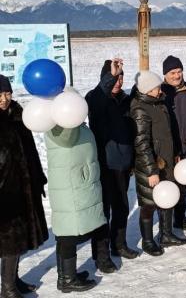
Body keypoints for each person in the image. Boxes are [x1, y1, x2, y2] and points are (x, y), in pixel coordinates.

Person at [45, 121, 117, 293]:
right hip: (70, 186)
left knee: (68, 231)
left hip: (77, 185)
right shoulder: (60, 126)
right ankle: (67, 279)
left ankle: (66, 276)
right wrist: (70, 118)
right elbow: (67, 140)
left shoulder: (72, 123)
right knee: (68, 232)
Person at [0, 75, 49, 298]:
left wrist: (38, 178)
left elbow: (31, 152)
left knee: (20, 239)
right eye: (0, 95)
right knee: (9, 241)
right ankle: (7, 288)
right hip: (5, 191)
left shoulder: (20, 117)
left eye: (7, 94)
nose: (4, 99)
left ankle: (14, 280)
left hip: (24, 186)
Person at [85, 58, 139, 260]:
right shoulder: (95, 98)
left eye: (121, 77)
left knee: (121, 207)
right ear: (105, 78)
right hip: (104, 164)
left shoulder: (126, 100)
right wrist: (110, 76)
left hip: (123, 164)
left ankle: (119, 244)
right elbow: (97, 100)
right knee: (103, 212)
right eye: (115, 77)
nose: (119, 81)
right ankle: (101, 255)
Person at [130, 70, 186, 256]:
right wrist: (151, 170)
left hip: (167, 160)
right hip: (151, 165)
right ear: (147, 90)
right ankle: (147, 241)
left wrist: (176, 152)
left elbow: (169, 132)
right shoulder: (139, 108)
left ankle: (166, 234)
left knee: (168, 197)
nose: (159, 89)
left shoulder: (159, 102)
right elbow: (141, 142)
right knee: (149, 203)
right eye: (155, 87)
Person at [161, 55, 186, 230]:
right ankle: (165, 227)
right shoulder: (159, 93)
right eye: (172, 72)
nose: (177, 76)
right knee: (168, 188)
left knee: (184, 186)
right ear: (165, 74)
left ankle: (179, 218)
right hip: (167, 150)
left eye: (179, 71)